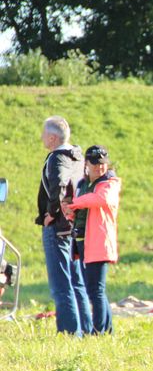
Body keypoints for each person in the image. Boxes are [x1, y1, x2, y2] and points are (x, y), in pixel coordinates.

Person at [35, 116, 86, 336]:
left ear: (53, 138)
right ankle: (84, 327)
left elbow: (59, 185)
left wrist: (51, 213)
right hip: (73, 225)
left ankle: (68, 332)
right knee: (76, 281)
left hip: (58, 226)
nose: (41, 137)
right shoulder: (77, 156)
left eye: (44, 134)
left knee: (61, 283)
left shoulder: (57, 159)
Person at [64, 145, 121, 334]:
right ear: (86, 164)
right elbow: (81, 209)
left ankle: (99, 331)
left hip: (98, 243)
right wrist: (70, 211)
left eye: (103, 164)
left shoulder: (110, 182)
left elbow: (101, 200)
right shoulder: (82, 184)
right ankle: (107, 330)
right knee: (94, 289)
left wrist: (75, 203)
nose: (100, 168)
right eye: (95, 164)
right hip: (82, 241)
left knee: (96, 290)